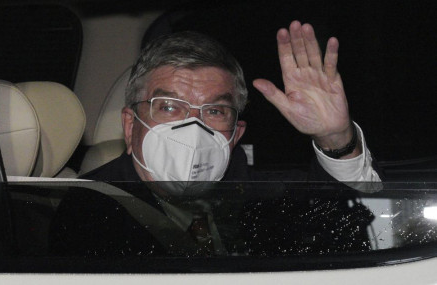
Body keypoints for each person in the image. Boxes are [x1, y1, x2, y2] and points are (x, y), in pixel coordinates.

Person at [50, 21, 380, 257]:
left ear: (235, 134)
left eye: (215, 111)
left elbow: (355, 223)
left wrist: (334, 137)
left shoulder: (262, 197)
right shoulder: (90, 210)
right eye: (168, 107)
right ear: (129, 125)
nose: (192, 127)